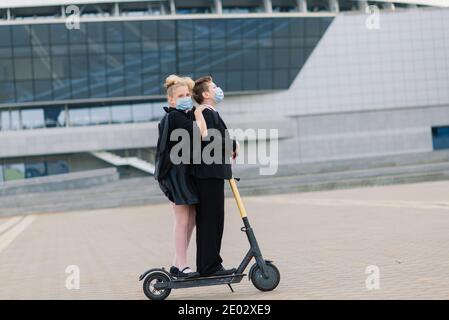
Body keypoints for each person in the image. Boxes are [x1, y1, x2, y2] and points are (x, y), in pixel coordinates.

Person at [154, 75, 208, 278]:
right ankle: (182, 266)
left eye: (187, 94)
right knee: (182, 220)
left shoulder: (182, 115)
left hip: (183, 173)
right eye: (181, 95)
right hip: (176, 174)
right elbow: (201, 134)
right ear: (171, 99)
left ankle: (177, 264)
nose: (186, 98)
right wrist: (200, 112)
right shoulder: (175, 117)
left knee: (190, 219)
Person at [191, 76, 239, 277]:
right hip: (210, 174)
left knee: (208, 220)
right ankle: (211, 266)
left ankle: (207, 265)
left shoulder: (208, 113)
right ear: (205, 94)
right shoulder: (207, 113)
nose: (218, 89)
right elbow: (211, 140)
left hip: (209, 174)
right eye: (214, 87)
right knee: (213, 219)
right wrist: (232, 145)